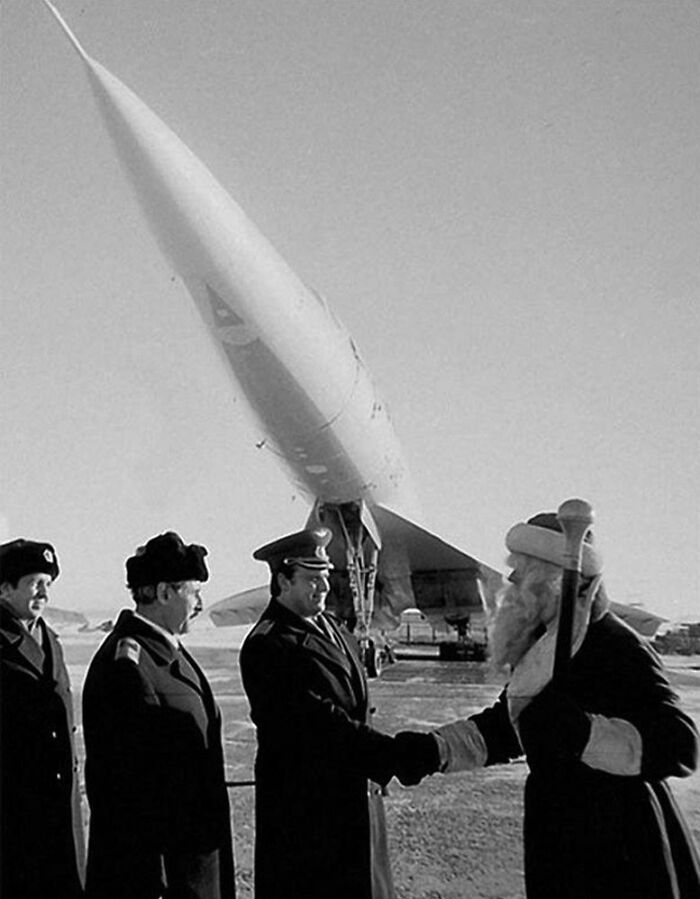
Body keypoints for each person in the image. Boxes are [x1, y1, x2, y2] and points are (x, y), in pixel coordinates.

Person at [409, 511, 700, 898]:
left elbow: (680, 745)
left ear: (554, 578)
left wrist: (584, 733)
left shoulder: (615, 644)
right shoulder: (547, 644)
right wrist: (431, 751)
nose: (512, 579)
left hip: (621, 846)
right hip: (561, 834)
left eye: (523, 568)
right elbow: (510, 726)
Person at [239, 527, 438, 899]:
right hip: (308, 819)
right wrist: (392, 755)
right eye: (312, 579)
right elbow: (318, 724)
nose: (324, 587)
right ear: (283, 581)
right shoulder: (268, 645)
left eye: (326, 576)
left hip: (358, 804)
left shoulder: (334, 629)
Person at [82, 532, 235, 899]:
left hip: (191, 865)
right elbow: (130, 792)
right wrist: (157, 883)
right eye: (194, 593)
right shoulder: (129, 667)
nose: (200, 604)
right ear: (165, 592)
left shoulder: (166, 652)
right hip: (162, 877)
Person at [0, 538, 85, 899]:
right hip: (15, 814)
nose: (44, 593)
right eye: (34, 583)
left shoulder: (50, 640)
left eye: (47, 583)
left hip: (61, 810)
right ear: (5, 588)